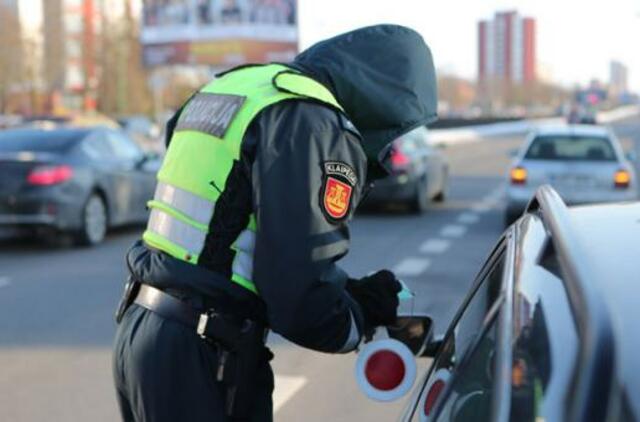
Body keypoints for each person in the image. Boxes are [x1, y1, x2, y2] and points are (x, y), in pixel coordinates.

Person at [112, 24, 437, 422]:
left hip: (143, 330)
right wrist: (357, 316)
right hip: (204, 353)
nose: (389, 146)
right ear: (387, 99)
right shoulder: (315, 121)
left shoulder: (239, 87)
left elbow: (227, 225)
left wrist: (344, 290)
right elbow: (297, 297)